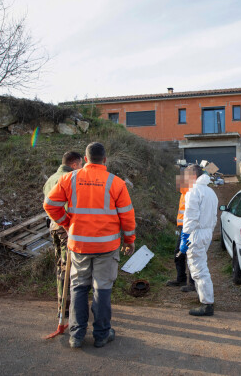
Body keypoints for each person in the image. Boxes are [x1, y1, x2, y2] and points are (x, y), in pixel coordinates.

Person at [44, 142, 136, 348]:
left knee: (78, 287)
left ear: (85, 159)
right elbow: (127, 217)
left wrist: (67, 223)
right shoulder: (116, 183)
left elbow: (50, 204)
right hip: (106, 247)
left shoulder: (69, 178)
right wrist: (130, 241)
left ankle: (76, 336)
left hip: (79, 246)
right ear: (105, 160)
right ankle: (102, 334)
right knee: (102, 289)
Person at [43, 151, 83, 318]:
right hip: (66, 227)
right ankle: (67, 307)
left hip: (53, 226)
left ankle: (61, 303)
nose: (81, 169)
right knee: (70, 269)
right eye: (80, 165)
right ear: (74, 165)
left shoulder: (51, 178)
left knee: (60, 266)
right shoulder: (71, 179)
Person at [180, 164, 218, 316]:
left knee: (199, 269)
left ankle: (207, 304)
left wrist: (185, 236)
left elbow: (190, 217)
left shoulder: (193, 192)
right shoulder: (210, 192)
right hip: (206, 232)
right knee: (200, 265)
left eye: (187, 176)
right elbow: (215, 217)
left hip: (196, 233)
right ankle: (203, 297)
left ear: (193, 176)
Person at [165, 171, 195, 292]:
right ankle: (181, 278)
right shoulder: (183, 193)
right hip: (184, 228)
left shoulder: (191, 194)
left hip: (190, 229)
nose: (178, 185)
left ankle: (192, 283)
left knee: (190, 256)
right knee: (179, 254)